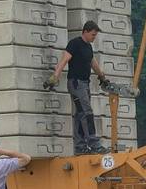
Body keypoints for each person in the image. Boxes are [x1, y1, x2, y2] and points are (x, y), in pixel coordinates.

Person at [46, 20, 111, 154]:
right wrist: (55, 77)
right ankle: (94, 144)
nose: (94, 37)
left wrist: (102, 77)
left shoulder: (88, 47)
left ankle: (80, 147)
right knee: (87, 112)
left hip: (85, 84)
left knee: (80, 113)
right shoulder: (75, 44)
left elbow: (93, 63)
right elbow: (64, 60)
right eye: (93, 35)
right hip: (76, 84)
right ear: (85, 32)